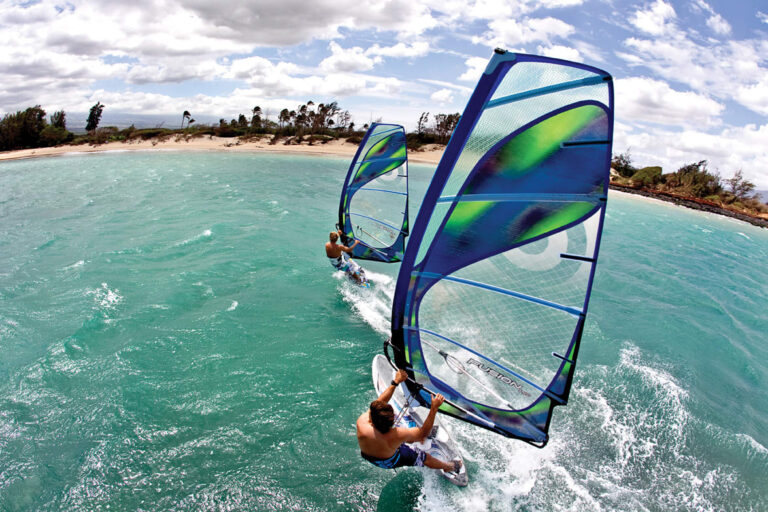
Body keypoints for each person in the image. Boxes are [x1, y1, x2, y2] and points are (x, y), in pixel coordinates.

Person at [356, 369, 462, 473]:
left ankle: (412, 439)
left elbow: (380, 401)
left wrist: (395, 382)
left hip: (369, 455)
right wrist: (434, 408)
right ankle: (448, 466)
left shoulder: (363, 422)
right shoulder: (396, 434)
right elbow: (423, 434)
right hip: (391, 460)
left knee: (409, 438)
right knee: (424, 457)